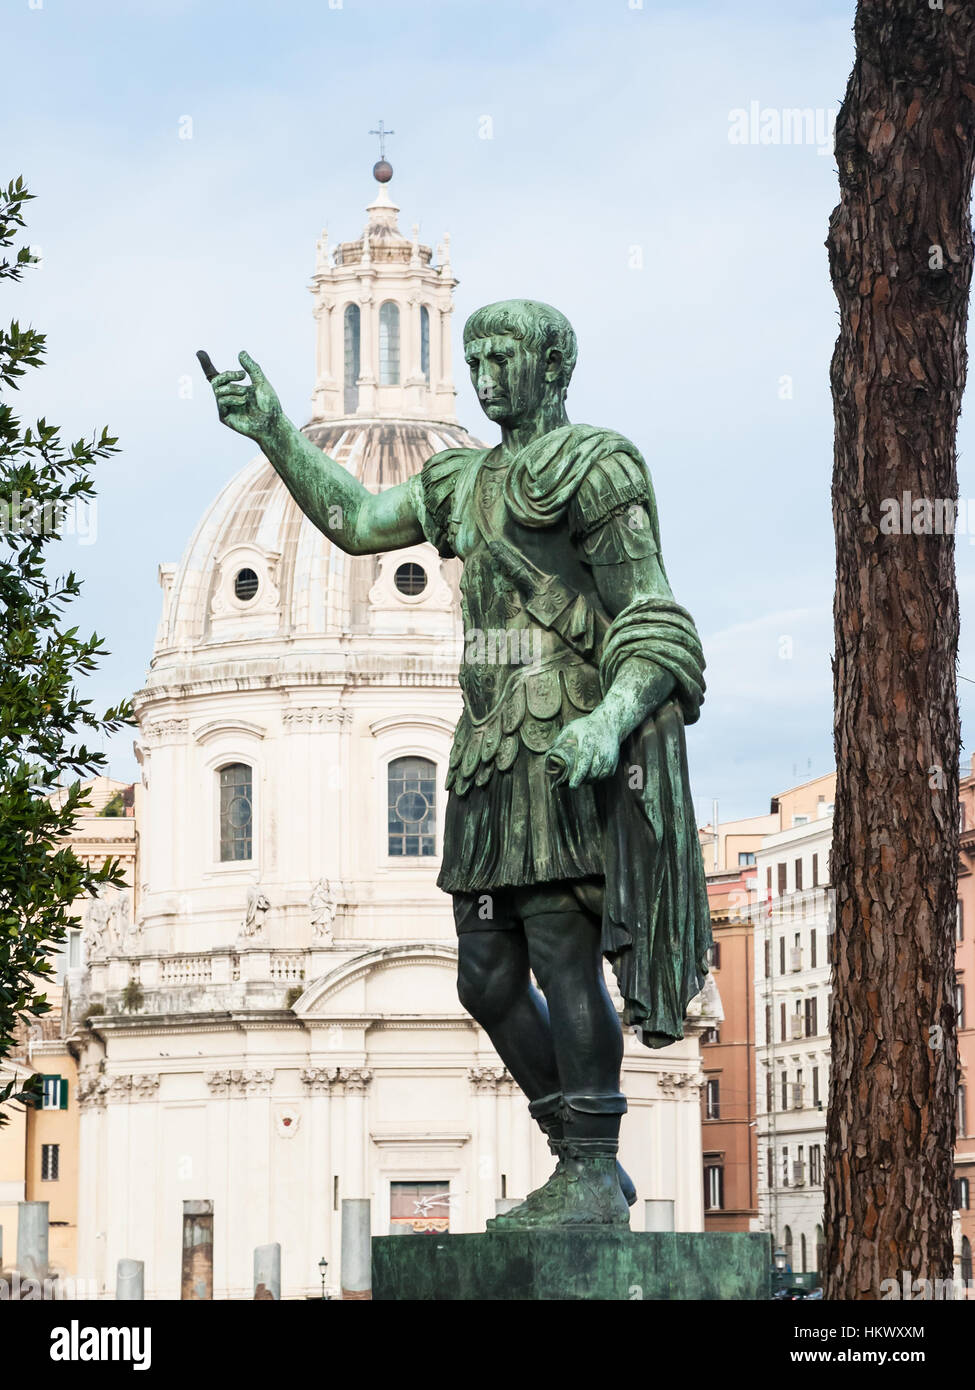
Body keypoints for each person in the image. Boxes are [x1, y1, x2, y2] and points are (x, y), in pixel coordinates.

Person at [198, 298, 710, 1227]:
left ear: (553, 364)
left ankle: (590, 1164)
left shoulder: (598, 468)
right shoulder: (462, 482)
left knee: (563, 956)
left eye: (504, 353)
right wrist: (273, 429)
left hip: (562, 741)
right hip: (484, 755)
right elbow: (355, 518)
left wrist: (609, 723)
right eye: (475, 354)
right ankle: (579, 1150)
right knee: (482, 975)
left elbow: (652, 617)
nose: (485, 371)